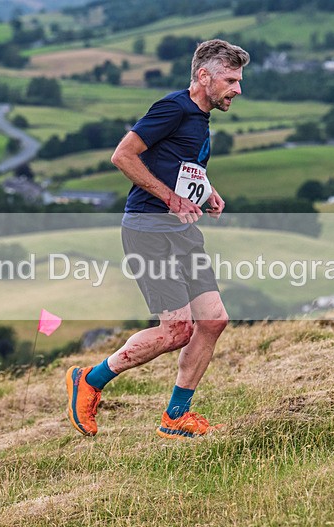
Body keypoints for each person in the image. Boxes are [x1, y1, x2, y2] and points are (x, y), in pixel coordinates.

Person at [66, 39, 250, 439]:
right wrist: (171, 197)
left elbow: (178, 166)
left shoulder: (200, 116)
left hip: (181, 231)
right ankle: (90, 381)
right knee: (177, 330)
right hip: (149, 229)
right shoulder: (172, 107)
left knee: (214, 319)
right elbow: (123, 155)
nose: (238, 89)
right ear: (204, 76)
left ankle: (176, 416)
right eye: (231, 80)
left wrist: (206, 191)